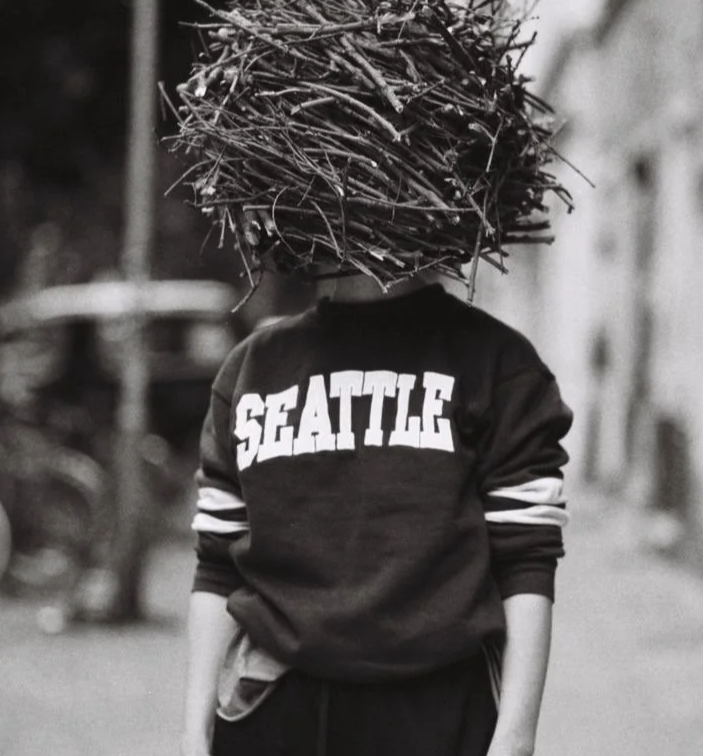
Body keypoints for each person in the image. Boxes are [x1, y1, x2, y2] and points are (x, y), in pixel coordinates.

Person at [179, 271, 572, 756]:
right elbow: (218, 561)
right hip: (277, 711)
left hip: (440, 711)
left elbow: (527, 560)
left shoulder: (497, 363)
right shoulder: (252, 367)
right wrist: (195, 733)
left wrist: (514, 738)